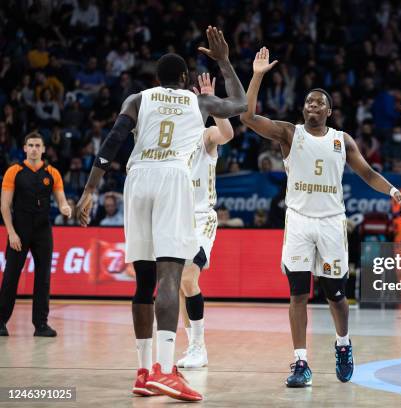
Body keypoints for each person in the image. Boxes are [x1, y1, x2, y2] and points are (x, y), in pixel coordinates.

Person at [75, 27, 246, 402]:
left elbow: (113, 141)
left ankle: (142, 371)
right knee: (170, 276)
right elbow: (240, 105)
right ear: (184, 80)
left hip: (136, 180)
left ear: (156, 80)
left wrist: (90, 189)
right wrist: (224, 60)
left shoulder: (138, 98)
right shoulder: (196, 102)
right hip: (172, 178)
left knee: (143, 279)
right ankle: (167, 372)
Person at [240, 47, 401, 388]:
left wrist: (392, 191)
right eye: (308, 102)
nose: (312, 106)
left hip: (332, 222)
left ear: (329, 111)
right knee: (298, 293)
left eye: (319, 103)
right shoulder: (290, 133)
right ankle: (301, 362)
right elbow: (247, 117)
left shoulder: (341, 140)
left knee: (335, 294)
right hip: (300, 221)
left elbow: (367, 173)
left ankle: (343, 344)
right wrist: (257, 76)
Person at [176, 73, 234, 369]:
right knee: (180, 285)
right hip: (174, 217)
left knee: (188, 277)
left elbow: (227, 135)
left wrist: (214, 105)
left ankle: (200, 347)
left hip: (200, 218)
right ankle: (193, 346)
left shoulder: (206, 135)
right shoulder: (170, 141)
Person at [0, 132, 72, 337]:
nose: (33, 148)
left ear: (43, 149)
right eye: (30, 145)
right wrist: (11, 233)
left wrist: (65, 208)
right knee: (10, 277)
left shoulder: (52, 173)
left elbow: (61, 200)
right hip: (19, 231)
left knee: (43, 279)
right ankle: (0, 321)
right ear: (24, 148)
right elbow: (5, 206)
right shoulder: (14, 171)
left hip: (42, 230)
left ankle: (41, 325)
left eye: (37, 145)